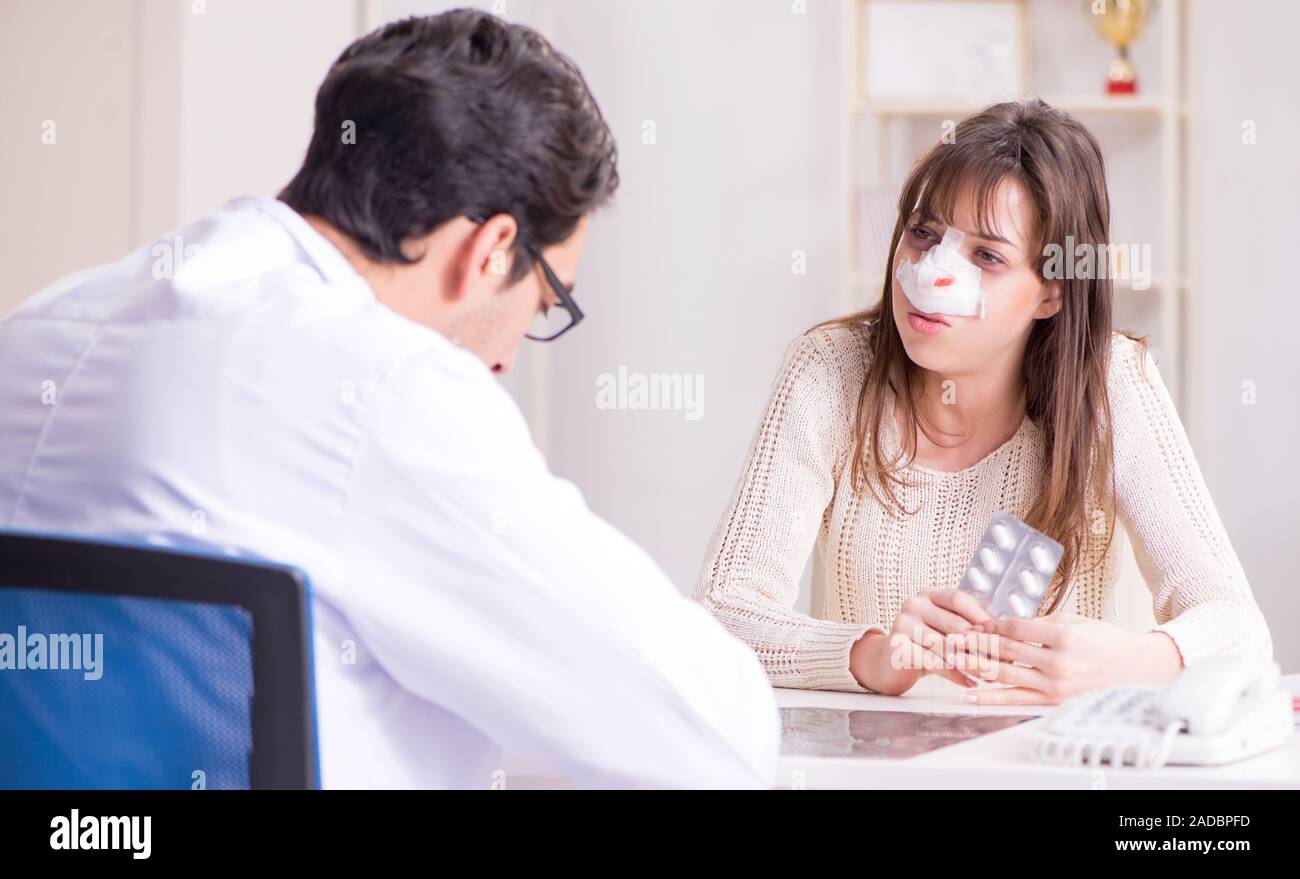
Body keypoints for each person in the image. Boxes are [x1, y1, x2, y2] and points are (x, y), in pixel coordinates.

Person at [0, 10, 778, 788]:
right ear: (492, 248)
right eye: (545, 304)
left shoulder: (36, 328)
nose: (507, 358)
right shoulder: (383, 389)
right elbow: (707, 733)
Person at [696, 99, 1273, 706]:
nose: (932, 273)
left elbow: (1239, 628)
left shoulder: (1107, 383)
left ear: (1051, 291)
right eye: (923, 234)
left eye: (988, 256)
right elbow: (718, 619)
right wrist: (876, 654)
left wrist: (1137, 660)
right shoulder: (830, 372)